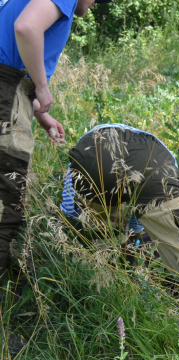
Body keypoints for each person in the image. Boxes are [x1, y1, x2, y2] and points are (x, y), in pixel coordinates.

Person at [0, 0, 111, 276]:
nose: (95, 3)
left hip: (10, 88)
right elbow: (26, 28)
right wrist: (41, 85)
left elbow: (10, 50)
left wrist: (38, 112)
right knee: (5, 207)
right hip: (7, 90)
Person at [62, 124, 179, 309]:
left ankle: (114, 295)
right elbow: (139, 217)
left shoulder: (86, 148)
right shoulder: (164, 153)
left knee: (104, 242)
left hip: (96, 157)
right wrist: (136, 239)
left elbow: (69, 209)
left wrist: (77, 227)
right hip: (155, 161)